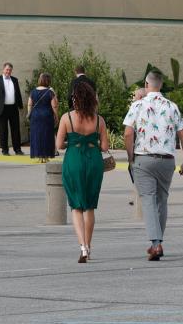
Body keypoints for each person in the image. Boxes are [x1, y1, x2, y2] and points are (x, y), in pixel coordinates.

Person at [123, 71, 183, 261]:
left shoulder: (137, 105)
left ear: (147, 84)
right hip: (167, 160)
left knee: (148, 199)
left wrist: (131, 157)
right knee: (162, 200)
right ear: (161, 85)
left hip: (143, 158)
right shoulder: (172, 106)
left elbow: (128, 134)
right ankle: (157, 242)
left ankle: (156, 243)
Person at [56, 80, 108, 263]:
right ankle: (90, 245)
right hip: (93, 161)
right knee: (90, 206)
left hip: (74, 160)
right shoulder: (99, 119)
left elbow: (59, 145)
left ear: (74, 99)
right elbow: (105, 146)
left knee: (76, 206)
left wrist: (72, 141)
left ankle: (82, 247)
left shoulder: (66, 118)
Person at [0, 62, 25, 156]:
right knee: (3, 130)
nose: (8, 71)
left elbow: (18, 94)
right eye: (7, 69)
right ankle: (5, 150)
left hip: (13, 108)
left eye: (10, 70)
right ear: (3, 69)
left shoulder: (15, 80)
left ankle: (17, 149)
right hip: (2, 108)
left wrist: (20, 106)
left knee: (15, 129)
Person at [28, 73, 59, 163]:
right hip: (47, 116)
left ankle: (39, 156)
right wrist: (57, 116)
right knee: (47, 135)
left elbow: (30, 104)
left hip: (35, 116)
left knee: (37, 135)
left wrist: (29, 113)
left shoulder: (33, 91)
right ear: (48, 81)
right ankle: (46, 157)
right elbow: (54, 106)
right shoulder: (50, 92)